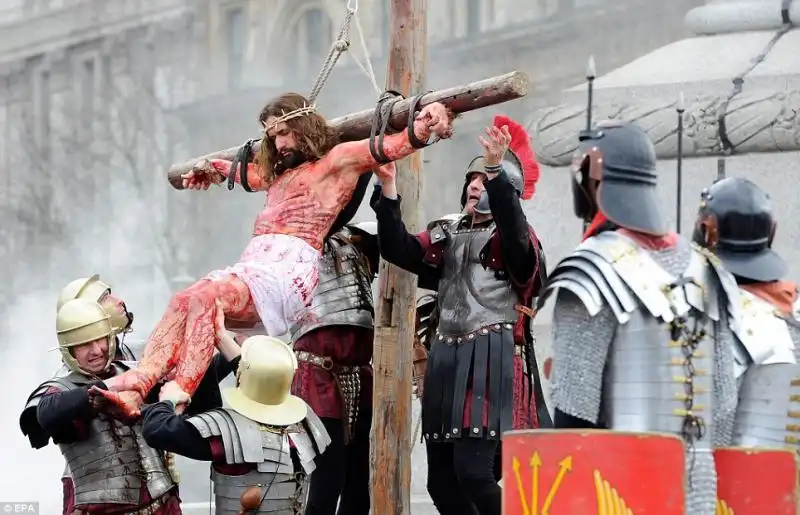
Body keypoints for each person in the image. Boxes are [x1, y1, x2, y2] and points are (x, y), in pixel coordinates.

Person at [90, 93, 456, 419]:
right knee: (183, 299)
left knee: (205, 298)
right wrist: (209, 170)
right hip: (255, 265)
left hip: (288, 270)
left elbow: (394, 145)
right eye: (271, 135)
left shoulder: (337, 161)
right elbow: (245, 174)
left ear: (303, 126)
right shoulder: (278, 176)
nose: (277, 142)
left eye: (283, 132)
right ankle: (138, 386)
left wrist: (429, 119)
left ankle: (179, 394)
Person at [538, 120, 739, 514]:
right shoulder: (706, 269)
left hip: (616, 490)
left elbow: (573, 420)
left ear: (591, 178)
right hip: (697, 485)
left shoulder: (592, 270)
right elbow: (724, 404)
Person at [372, 115, 549, 515]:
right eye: (473, 178)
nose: (475, 184)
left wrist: (496, 170)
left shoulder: (518, 239)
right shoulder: (449, 234)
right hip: (448, 362)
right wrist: (388, 186)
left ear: (507, 189)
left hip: (492, 360)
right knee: (442, 485)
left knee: (474, 475)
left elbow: (517, 243)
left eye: (485, 179)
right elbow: (398, 249)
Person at [691, 177, 800, 509]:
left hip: (733, 497)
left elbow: (704, 429)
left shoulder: (711, 317)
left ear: (707, 232)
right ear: (771, 232)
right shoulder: (794, 306)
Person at [19, 298, 181, 514]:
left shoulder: (136, 371)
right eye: (84, 344)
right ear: (69, 350)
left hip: (162, 505)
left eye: (100, 340)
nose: (96, 350)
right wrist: (109, 386)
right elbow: (46, 413)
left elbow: (192, 396)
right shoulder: (60, 389)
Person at [141, 331, 331, 515]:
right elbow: (261, 381)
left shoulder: (227, 432)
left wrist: (167, 400)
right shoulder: (306, 423)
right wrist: (221, 337)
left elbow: (157, 430)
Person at [288, 222, 378, 515]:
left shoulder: (360, 256)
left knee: (358, 481)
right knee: (329, 477)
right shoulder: (312, 244)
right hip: (318, 378)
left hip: (358, 379)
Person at [57, 274, 137, 360]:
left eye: (109, 295)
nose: (119, 301)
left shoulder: (139, 351)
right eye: (105, 298)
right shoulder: (75, 373)